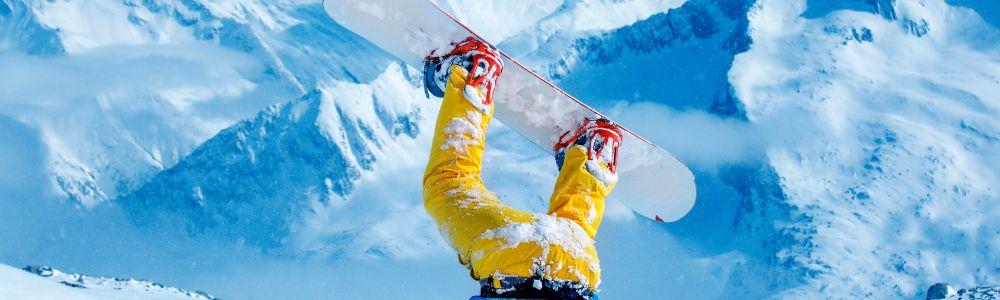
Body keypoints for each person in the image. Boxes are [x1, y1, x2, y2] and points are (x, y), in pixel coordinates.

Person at [422, 37, 623, 300]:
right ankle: (471, 75)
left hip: (577, 263)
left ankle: (594, 155)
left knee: (573, 228)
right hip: (507, 252)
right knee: (449, 184)